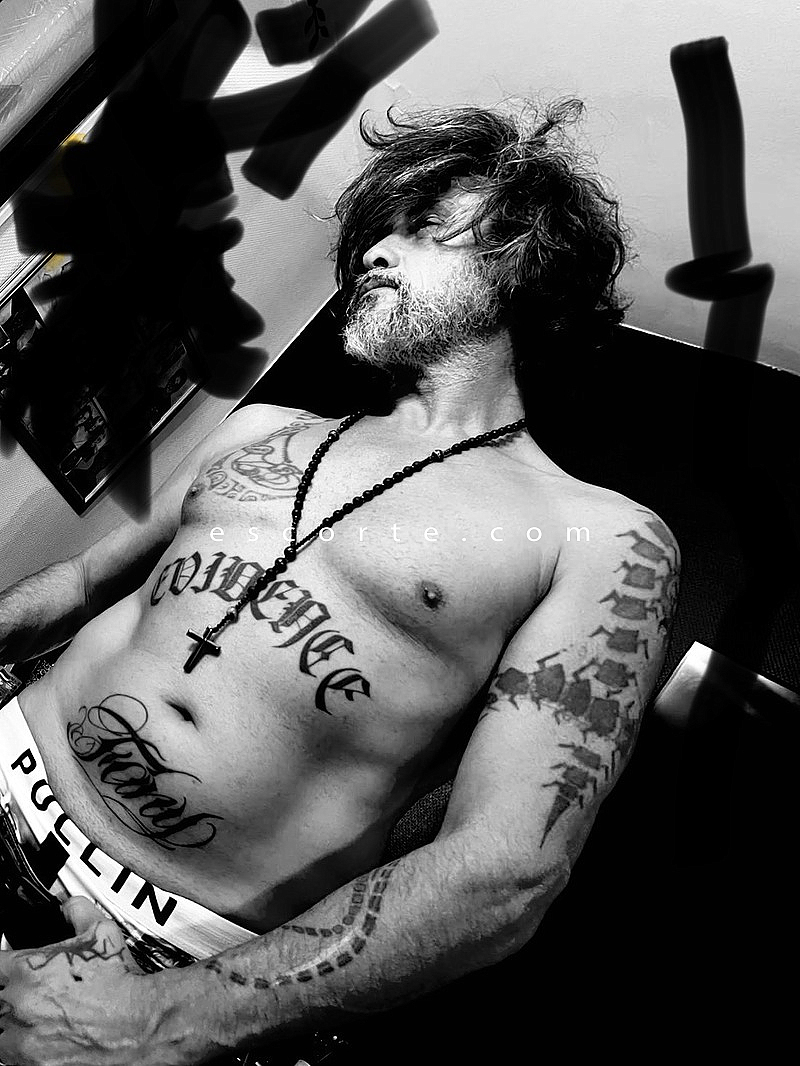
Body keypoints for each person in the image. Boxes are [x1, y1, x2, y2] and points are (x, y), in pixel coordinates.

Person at [0, 100, 679, 1065]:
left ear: (526, 261)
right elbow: (76, 586)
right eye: (373, 233)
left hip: (158, 959)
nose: (373, 252)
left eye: (423, 225)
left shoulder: (600, 537)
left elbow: (505, 871)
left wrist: (168, 1017)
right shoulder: (261, 427)